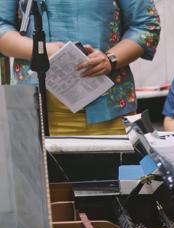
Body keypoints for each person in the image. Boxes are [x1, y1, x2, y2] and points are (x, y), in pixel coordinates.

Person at [0, 0, 160, 136]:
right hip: (32, 113)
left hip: (108, 112)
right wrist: (41, 51)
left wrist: (110, 59)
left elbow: (147, 25)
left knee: (114, 164)